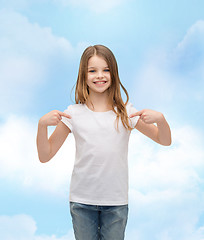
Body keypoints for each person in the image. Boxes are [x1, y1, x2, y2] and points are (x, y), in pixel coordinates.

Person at [36, 44, 171, 240]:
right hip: (81, 201)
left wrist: (161, 120)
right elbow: (45, 155)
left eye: (106, 69)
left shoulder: (126, 112)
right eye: (93, 70)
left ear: (113, 73)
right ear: (84, 75)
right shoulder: (72, 114)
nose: (100, 75)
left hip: (115, 201)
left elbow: (164, 140)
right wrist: (42, 125)